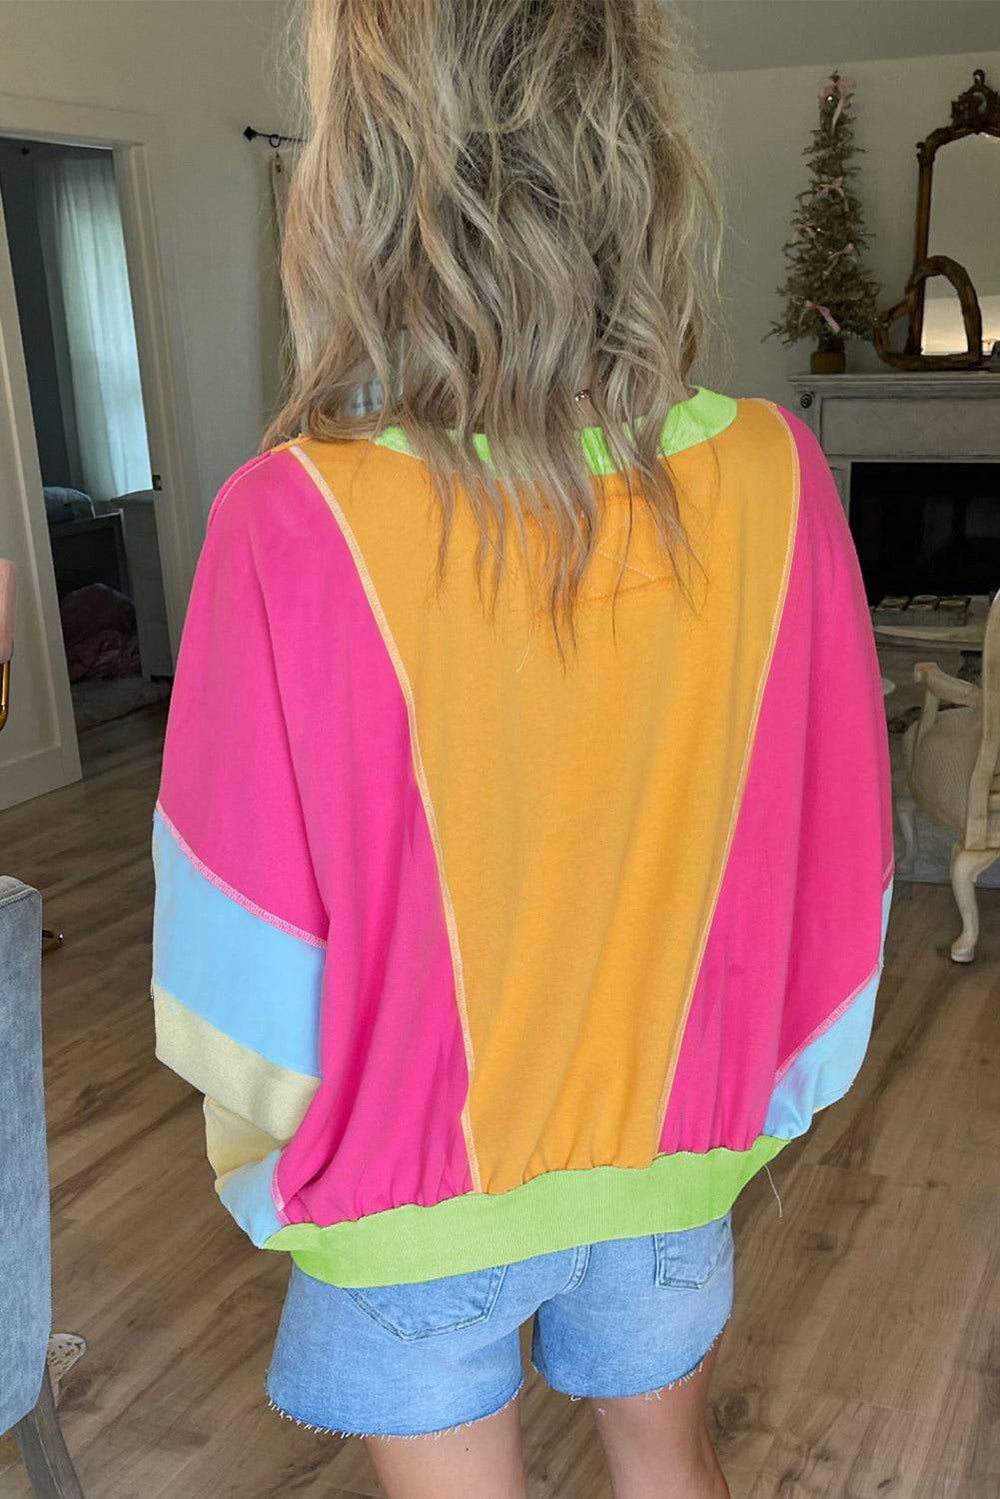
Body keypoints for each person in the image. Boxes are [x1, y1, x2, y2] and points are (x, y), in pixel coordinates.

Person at [150, 3, 893, 1495]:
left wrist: (313, 1169)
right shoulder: (775, 477)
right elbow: (845, 859)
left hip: (405, 1190)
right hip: (675, 1164)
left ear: (358, 182)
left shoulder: (288, 519)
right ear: (639, 154)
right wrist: (749, 1104)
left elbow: (230, 951)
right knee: (675, 1478)